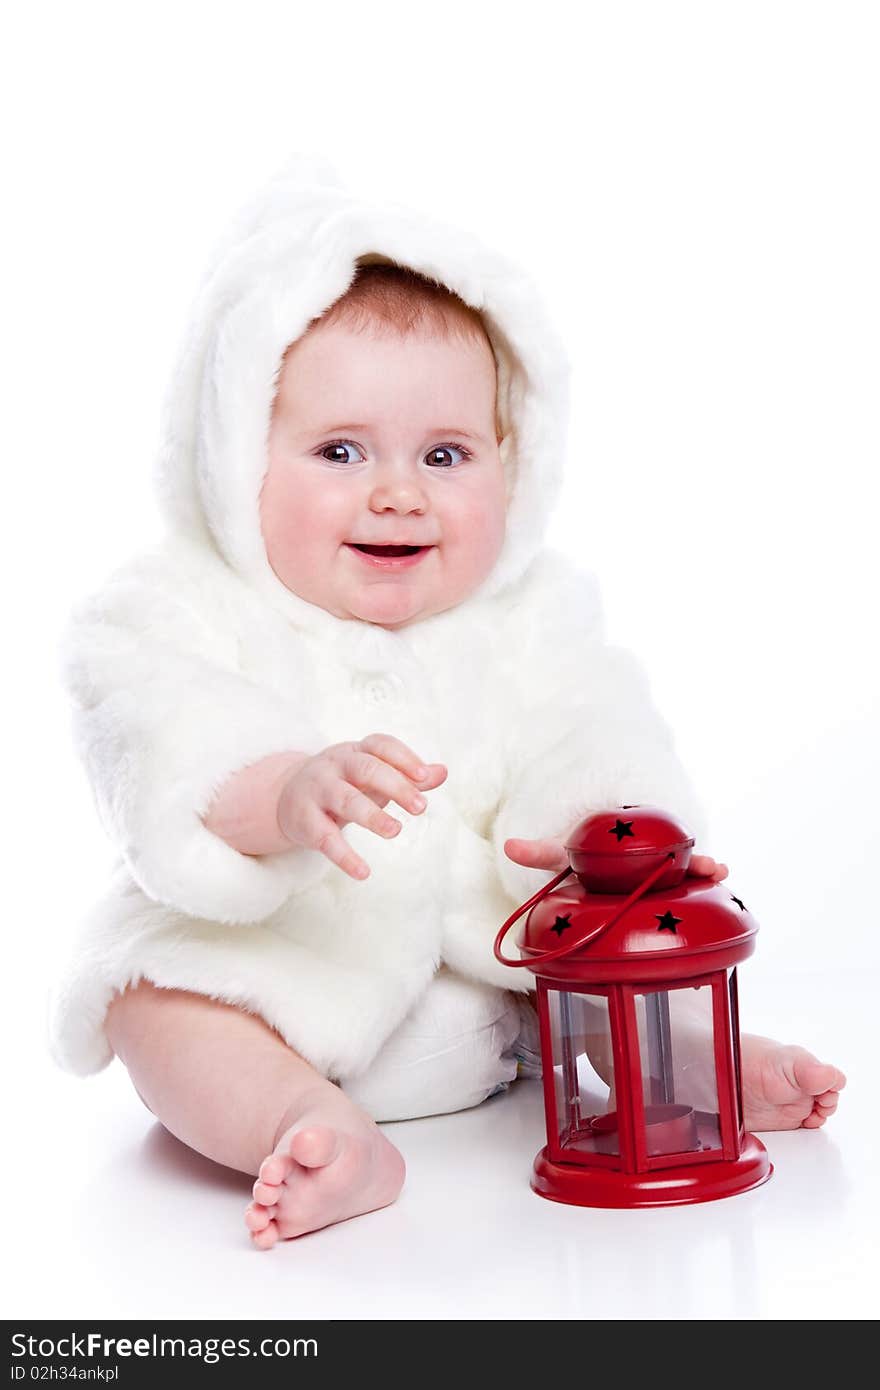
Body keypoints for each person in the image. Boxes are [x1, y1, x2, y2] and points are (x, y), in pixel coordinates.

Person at [49, 155, 845, 1250]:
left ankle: (693, 1081)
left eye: (445, 452)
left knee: (596, 972)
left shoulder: (529, 615)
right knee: (152, 1007)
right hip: (272, 982)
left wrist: (628, 841)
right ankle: (311, 1125)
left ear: (512, 465)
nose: (398, 490)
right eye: (340, 450)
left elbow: (591, 722)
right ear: (235, 460)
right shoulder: (174, 605)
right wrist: (281, 792)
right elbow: (152, 729)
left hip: (484, 991)